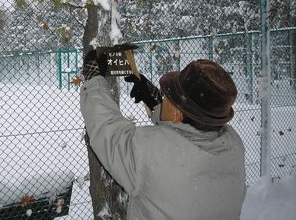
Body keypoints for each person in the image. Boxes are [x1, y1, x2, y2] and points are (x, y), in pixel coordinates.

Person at [80, 46, 246, 220]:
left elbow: (108, 129)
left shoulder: (150, 150)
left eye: (168, 96)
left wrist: (93, 80)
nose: (164, 97)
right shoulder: (233, 144)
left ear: (177, 113)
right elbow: (187, 130)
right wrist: (156, 101)